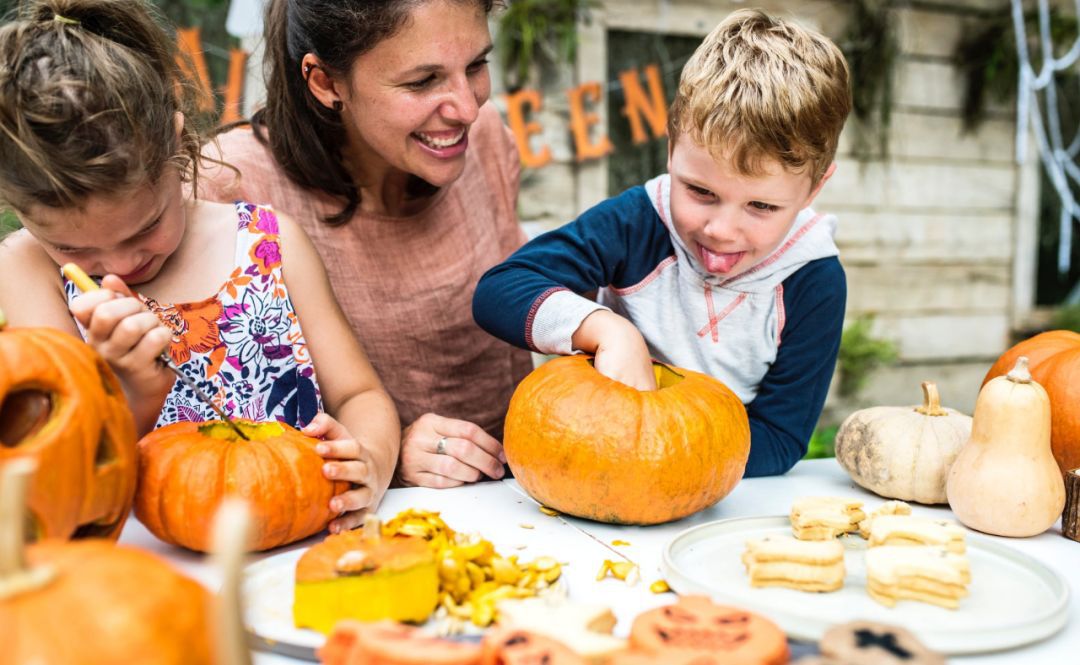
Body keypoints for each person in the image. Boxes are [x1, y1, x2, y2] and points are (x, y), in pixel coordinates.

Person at [0, 0, 400, 533]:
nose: (119, 264)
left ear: (179, 145)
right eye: (73, 249)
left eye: (144, 227)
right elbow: (57, 476)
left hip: (301, 543)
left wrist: (369, 457)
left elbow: (359, 394)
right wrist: (131, 390)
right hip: (143, 573)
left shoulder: (268, 242)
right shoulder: (27, 272)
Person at [473, 9, 853, 477]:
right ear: (671, 149)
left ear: (814, 189)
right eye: (701, 191)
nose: (721, 229)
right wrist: (608, 329)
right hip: (593, 460)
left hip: (710, 493)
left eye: (761, 207)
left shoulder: (814, 280)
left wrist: (659, 458)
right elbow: (501, 289)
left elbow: (780, 437)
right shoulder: (637, 222)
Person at [198, 0, 532, 489]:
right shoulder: (229, 184)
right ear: (326, 82)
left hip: (524, 507)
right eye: (422, 81)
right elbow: (204, 434)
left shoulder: (487, 138)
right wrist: (383, 454)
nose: (467, 107)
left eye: (477, 65)